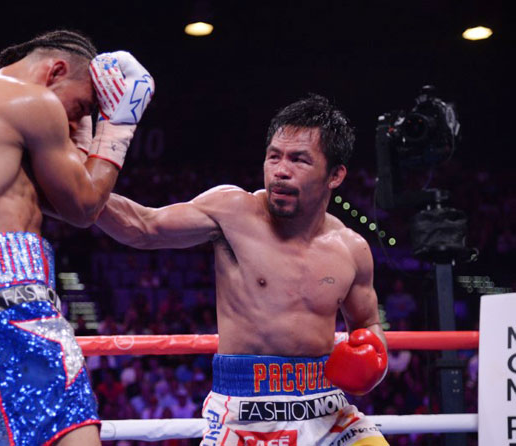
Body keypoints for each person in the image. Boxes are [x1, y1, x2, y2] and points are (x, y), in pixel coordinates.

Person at [0, 30, 154, 446]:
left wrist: (81, 135)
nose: (76, 121)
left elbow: (67, 197)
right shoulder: (33, 102)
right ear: (55, 71)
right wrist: (118, 124)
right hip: (12, 298)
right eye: (83, 106)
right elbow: (84, 206)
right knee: (76, 436)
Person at [96, 94, 389, 445]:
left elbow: (367, 324)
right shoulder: (234, 211)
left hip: (327, 407)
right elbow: (143, 226)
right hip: (247, 409)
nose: (280, 170)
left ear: (335, 175)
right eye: (274, 156)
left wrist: (374, 362)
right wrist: (77, 189)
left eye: (299, 160)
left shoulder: (351, 248)